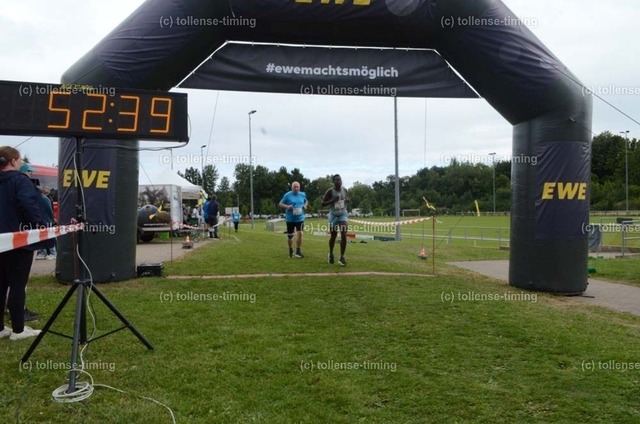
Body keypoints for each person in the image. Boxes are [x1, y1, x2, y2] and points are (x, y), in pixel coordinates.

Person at [0, 147, 46, 340]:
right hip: (19, 240)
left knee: (1, 284)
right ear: (12, 161)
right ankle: (18, 330)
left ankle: (1, 329)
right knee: (17, 285)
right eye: (19, 160)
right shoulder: (20, 180)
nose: (20, 163)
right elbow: (28, 204)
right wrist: (40, 225)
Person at [321, 174, 350, 266]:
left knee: (344, 234)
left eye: (340, 180)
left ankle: (342, 257)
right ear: (333, 182)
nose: (339, 181)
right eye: (336, 180)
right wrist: (332, 200)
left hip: (343, 214)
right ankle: (331, 254)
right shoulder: (330, 191)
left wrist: (347, 199)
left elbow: (348, 199)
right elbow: (322, 203)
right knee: (333, 236)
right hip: (333, 215)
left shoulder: (344, 190)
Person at [279, 181, 308, 258]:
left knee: (300, 233)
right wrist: (288, 207)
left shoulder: (302, 194)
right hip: (290, 219)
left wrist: (305, 206)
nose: (296, 188)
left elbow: (306, 201)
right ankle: (290, 250)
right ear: (292, 187)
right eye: (294, 187)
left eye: (297, 187)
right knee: (290, 236)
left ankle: (298, 251)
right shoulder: (287, 195)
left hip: (300, 218)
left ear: (299, 187)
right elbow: (280, 204)